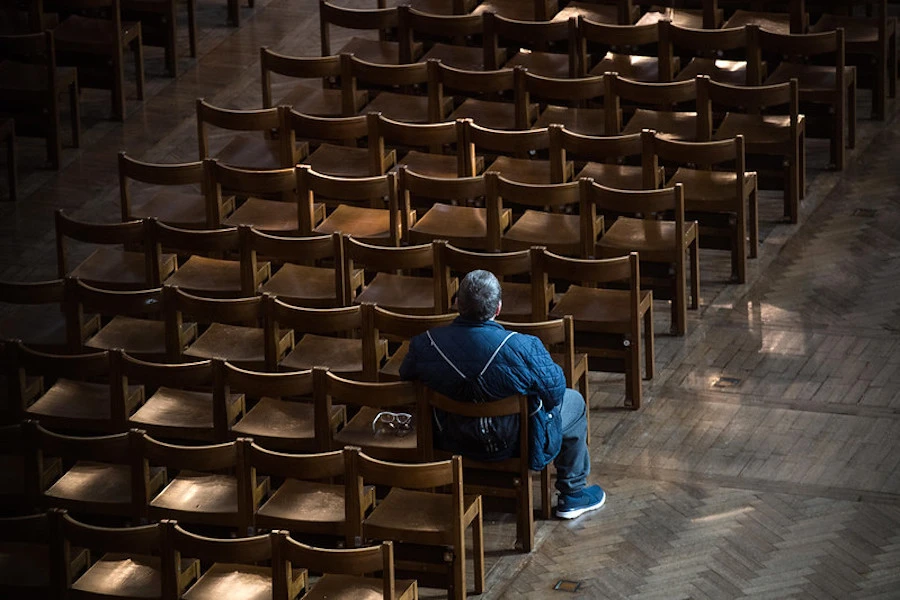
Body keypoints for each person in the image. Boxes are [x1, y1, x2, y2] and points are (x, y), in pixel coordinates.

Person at [399, 269, 605, 519]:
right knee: (575, 401)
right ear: (498, 308)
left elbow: (406, 375)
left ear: (457, 303)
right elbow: (555, 393)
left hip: (451, 438)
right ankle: (572, 494)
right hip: (513, 443)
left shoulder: (426, 343)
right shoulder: (523, 347)